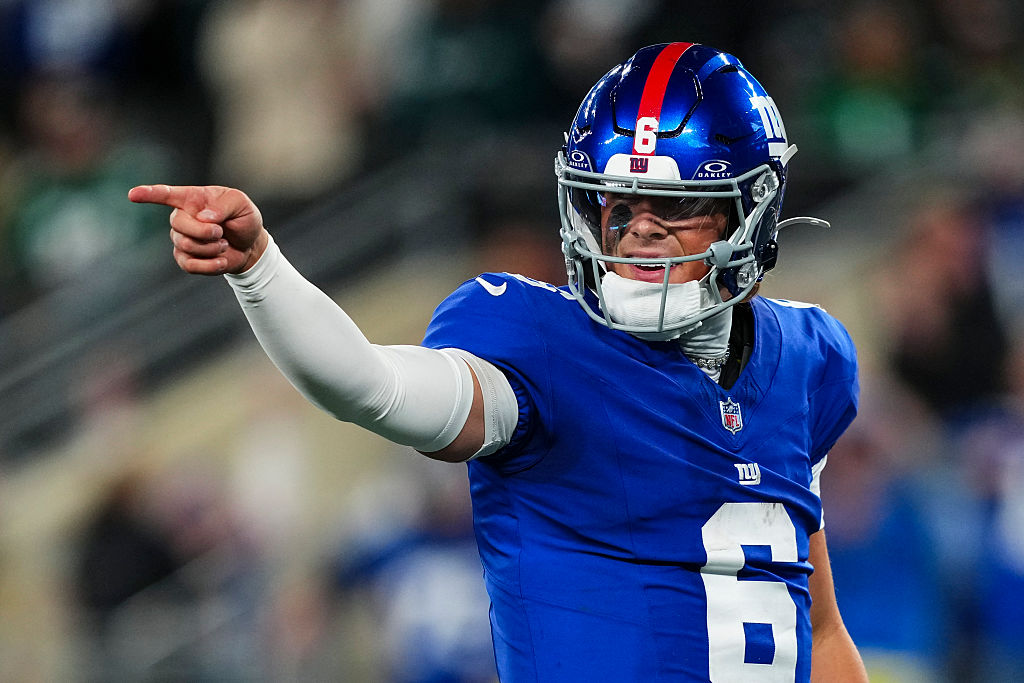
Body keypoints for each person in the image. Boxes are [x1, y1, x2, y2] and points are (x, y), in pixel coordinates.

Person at [130, 42, 868, 682]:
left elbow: (822, 627)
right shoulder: (542, 345)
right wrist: (260, 268)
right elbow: (368, 384)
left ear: (751, 214)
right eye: (617, 204)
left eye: (673, 207)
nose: (639, 232)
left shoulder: (807, 360)